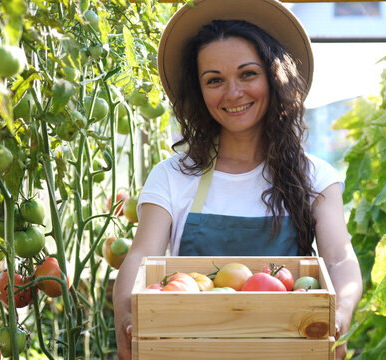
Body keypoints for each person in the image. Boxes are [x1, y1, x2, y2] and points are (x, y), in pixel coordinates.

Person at [113, 0, 362, 358]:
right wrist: (126, 315)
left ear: (274, 77)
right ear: (199, 92)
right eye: (214, 80)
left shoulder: (315, 176)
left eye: (247, 74)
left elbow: (339, 258)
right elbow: (141, 256)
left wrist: (341, 310)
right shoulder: (171, 177)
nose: (233, 93)